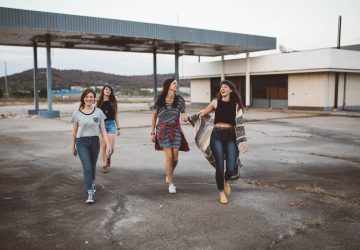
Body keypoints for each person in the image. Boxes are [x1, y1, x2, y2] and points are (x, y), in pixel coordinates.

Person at [198, 80, 248, 204]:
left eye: (226, 86)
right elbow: (202, 113)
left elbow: (240, 125)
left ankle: (226, 180)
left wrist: (244, 140)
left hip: (231, 136)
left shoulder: (236, 106)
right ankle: (221, 192)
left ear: (231, 90)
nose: (223, 88)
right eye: (221, 87)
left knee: (231, 168)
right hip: (217, 135)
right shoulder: (215, 102)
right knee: (220, 166)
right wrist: (189, 117)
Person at [71, 88, 112, 204]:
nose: (89, 99)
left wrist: (108, 145)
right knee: (87, 167)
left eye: (91, 97)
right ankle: (90, 192)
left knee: (93, 166)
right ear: (83, 98)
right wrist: (73, 146)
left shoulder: (98, 112)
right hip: (81, 142)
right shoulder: (77, 113)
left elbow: (103, 130)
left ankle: (92, 182)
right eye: (87, 97)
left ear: (94, 99)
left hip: (94, 141)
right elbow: (74, 132)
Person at [151, 78, 189, 194]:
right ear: (168, 85)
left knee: (175, 158)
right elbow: (154, 117)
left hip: (175, 129)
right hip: (162, 130)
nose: (176, 85)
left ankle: (169, 173)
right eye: (174, 83)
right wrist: (153, 132)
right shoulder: (160, 99)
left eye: (176, 83)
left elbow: (184, 113)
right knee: (169, 157)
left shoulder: (180, 100)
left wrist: (185, 116)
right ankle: (171, 183)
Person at [96, 84, 120, 173]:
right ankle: (104, 164)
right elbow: (95, 115)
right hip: (101, 125)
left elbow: (116, 115)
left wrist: (119, 128)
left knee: (111, 148)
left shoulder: (113, 102)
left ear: (111, 92)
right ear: (103, 91)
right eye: (106, 89)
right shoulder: (98, 103)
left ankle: (109, 156)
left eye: (109, 90)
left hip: (111, 125)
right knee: (103, 147)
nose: (108, 91)